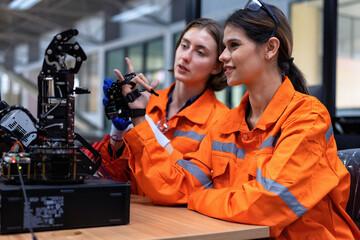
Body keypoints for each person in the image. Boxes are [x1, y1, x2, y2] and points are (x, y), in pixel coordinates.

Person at [120, 1, 360, 238]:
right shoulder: (226, 125)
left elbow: (268, 203)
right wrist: (139, 116)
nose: (223, 56)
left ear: (270, 48)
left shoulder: (307, 117)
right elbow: (174, 187)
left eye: (233, 45)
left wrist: (198, 197)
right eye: (224, 47)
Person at [95, 18, 229, 195]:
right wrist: (117, 134)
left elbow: (186, 185)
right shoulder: (148, 102)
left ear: (217, 67)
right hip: (136, 211)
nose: (185, 56)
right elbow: (113, 175)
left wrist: (141, 120)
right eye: (184, 45)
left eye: (200, 52)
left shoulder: (222, 121)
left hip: (174, 219)